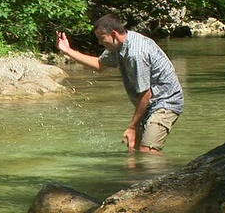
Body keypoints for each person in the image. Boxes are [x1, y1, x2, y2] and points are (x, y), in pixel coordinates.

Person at [56, 13, 183, 154]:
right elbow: (99, 65)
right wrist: (67, 50)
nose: (99, 43)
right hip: (149, 104)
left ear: (114, 34)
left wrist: (132, 127)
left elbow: (145, 94)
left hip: (166, 102)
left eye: (101, 38)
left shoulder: (136, 53)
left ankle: (173, 175)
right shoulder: (120, 45)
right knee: (133, 150)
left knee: (148, 151)